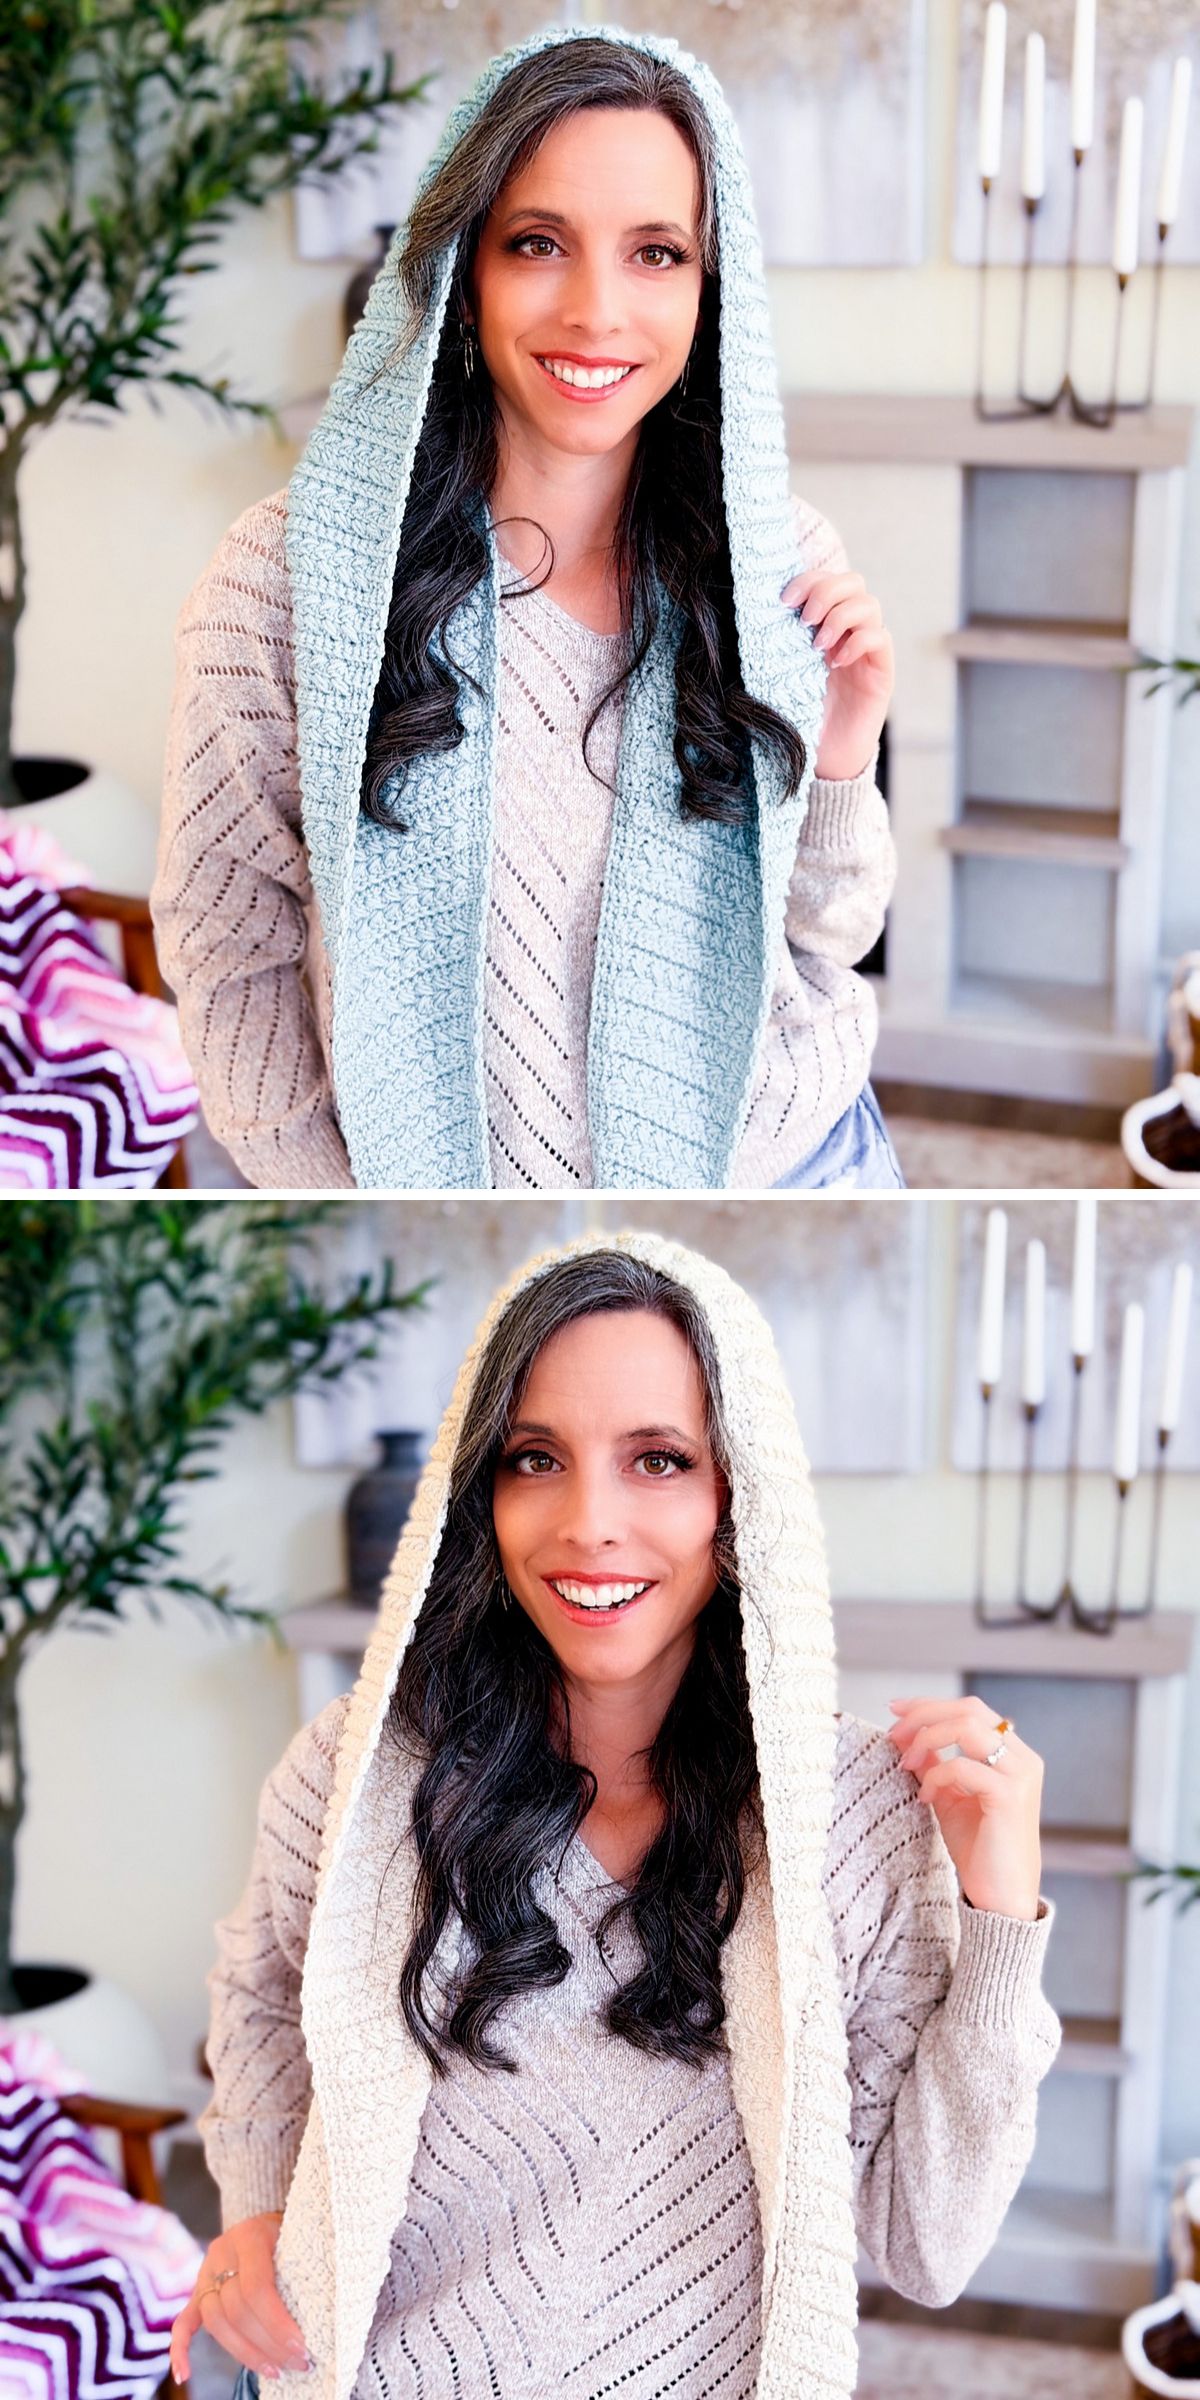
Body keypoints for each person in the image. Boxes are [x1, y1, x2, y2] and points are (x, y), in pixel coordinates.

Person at [171, 1229, 1060, 2400]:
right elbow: (259, 1997)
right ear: (478, 1490)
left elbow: (925, 2248)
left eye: (657, 1461)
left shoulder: (847, 1822)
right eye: (536, 1458)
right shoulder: (356, 1772)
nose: (589, 1521)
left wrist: (1000, 1917)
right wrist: (260, 2205)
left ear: (738, 1493)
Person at [151, 25, 904, 1195]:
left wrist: (846, 752)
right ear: (464, 273)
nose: (600, 311)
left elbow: (827, 944)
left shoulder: (782, 559)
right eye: (540, 243)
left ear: (713, 294)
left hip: (793, 1167)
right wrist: (348, 1201)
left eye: (658, 253)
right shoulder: (280, 581)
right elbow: (229, 952)